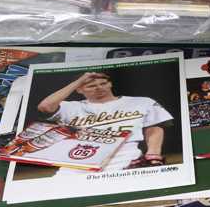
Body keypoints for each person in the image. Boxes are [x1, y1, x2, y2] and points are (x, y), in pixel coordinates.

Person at [36, 71, 172, 170]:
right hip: (78, 160)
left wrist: (153, 153)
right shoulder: (71, 108)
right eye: (91, 85)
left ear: (110, 83)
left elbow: (154, 127)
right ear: (79, 89)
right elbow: (45, 106)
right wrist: (78, 81)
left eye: (103, 83)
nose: (99, 88)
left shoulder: (141, 102)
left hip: (125, 157)